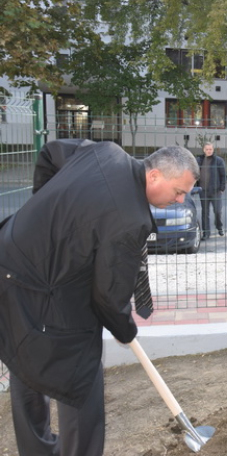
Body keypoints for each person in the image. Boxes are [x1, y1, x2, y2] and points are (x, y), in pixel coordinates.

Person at [0, 140, 199, 456]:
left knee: (23, 360)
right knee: (81, 376)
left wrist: (45, 210)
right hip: (39, 285)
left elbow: (51, 152)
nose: (180, 200)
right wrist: (126, 330)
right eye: (178, 192)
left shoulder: (105, 151)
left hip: (9, 256)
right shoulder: (131, 219)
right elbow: (107, 298)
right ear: (155, 176)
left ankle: (36, 451)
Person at [196, 142, 227, 239]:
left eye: (210, 149)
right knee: (205, 213)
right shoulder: (199, 160)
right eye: (207, 149)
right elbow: (194, 174)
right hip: (203, 191)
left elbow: (224, 175)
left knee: (217, 211)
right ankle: (206, 233)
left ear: (213, 150)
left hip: (215, 191)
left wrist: (222, 188)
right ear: (203, 150)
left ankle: (219, 226)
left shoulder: (218, 161)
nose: (209, 151)